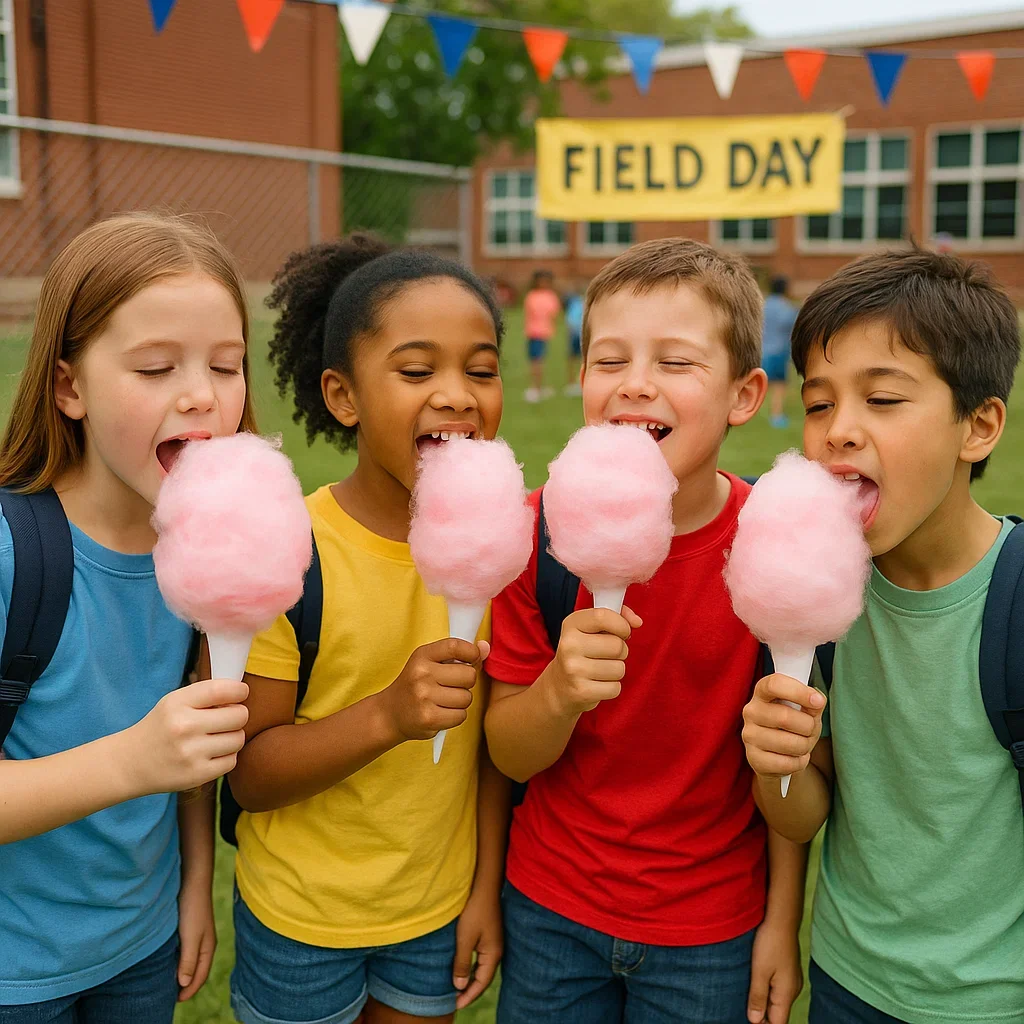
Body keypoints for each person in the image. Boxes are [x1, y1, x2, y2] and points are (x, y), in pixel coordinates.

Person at [486, 238, 806, 1024]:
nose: (635, 385)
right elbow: (505, 750)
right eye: (609, 359)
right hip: (551, 906)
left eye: (675, 362)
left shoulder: (783, 541)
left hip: (712, 926)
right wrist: (558, 692)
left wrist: (781, 922)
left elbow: (794, 770)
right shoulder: (534, 535)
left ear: (745, 393)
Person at [227, 235, 510, 1024]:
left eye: (481, 370)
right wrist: (388, 714)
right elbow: (251, 773)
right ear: (343, 397)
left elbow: (495, 749)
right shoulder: (290, 549)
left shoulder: (506, 553)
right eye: (417, 371)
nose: (457, 394)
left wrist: (483, 888)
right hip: (301, 918)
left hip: (435, 908)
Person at [741, 249, 1024, 1024]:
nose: (840, 432)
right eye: (821, 404)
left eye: (884, 400)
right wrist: (777, 766)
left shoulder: (1017, 597)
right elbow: (805, 812)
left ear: (979, 425)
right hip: (849, 978)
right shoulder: (821, 595)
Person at [0, 213, 254, 1021]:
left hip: (141, 950)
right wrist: (134, 760)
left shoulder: (208, 551)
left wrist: (193, 887)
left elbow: (190, 744)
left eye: (227, 365)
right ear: (69, 386)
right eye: (154, 368)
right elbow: (154, 756)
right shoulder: (13, 556)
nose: (203, 396)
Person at [762, 275, 798, 428]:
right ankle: (776, 416)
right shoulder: (787, 308)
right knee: (778, 385)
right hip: (778, 352)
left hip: (760, 351)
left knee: (754, 383)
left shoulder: (762, 305)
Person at [522, 270, 560, 403]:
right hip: (534, 332)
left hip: (543, 333)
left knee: (539, 360)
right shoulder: (532, 296)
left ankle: (538, 387)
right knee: (535, 361)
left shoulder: (550, 296)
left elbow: (553, 314)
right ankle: (536, 387)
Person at [563, 282, 585, 397]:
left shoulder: (584, 302)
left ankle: (580, 382)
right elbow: (569, 318)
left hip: (580, 334)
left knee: (582, 359)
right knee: (572, 357)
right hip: (575, 333)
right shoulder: (573, 303)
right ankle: (572, 382)